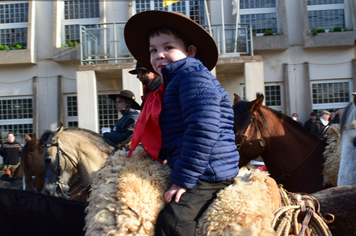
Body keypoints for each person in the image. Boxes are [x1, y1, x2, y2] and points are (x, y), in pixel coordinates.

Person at [124, 10, 240, 236]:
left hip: (207, 169)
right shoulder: (176, 80)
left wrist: (183, 180)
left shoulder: (192, 77)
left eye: (168, 47)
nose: (159, 55)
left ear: (190, 51)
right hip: (198, 164)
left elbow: (202, 128)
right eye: (153, 50)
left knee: (173, 223)